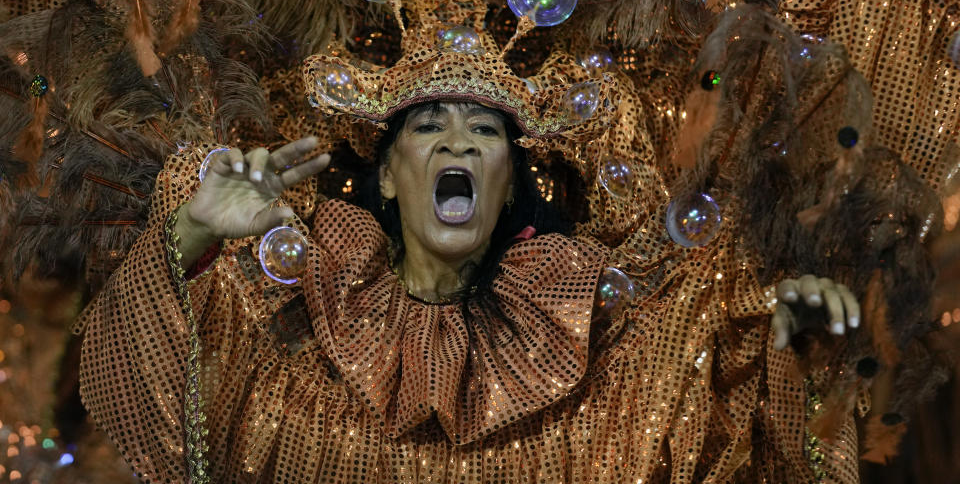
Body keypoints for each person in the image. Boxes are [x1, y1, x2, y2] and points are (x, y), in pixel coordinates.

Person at [78, 87, 860, 483]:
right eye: (429, 126)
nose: (459, 138)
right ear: (386, 176)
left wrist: (790, 344)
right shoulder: (299, 344)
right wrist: (197, 230)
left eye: (486, 131)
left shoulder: (592, 359)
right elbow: (145, 396)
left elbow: (715, 409)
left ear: (506, 176)